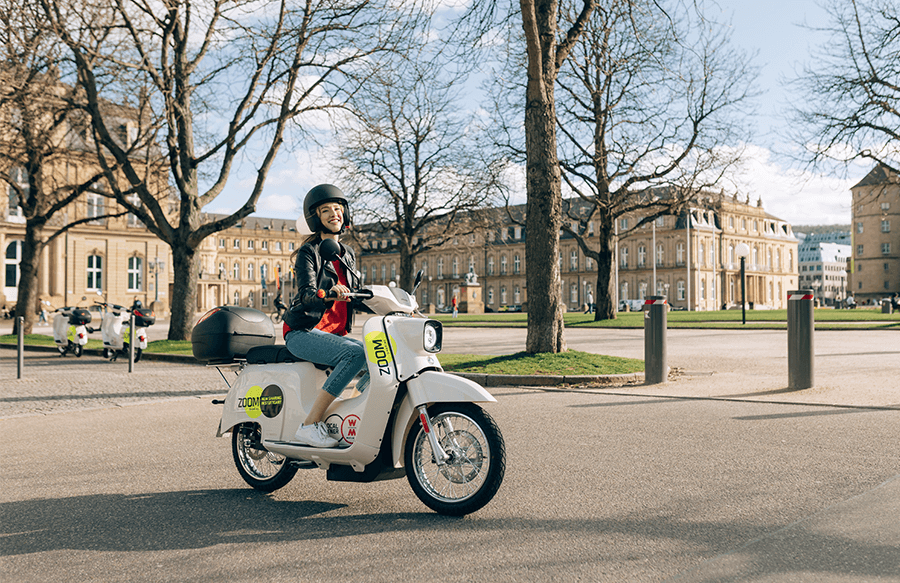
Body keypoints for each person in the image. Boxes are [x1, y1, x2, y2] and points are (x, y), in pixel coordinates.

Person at [282, 184, 366, 448]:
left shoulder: (347, 253)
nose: (334, 214)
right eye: (326, 210)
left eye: (338, 209)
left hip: (333, 334)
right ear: (315, 218)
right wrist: (328, 293)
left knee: (381, 357)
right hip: (302, 331)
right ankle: (309, 425)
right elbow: (307, 294)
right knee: (356, 354)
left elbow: (356, 294)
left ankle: (348, 417)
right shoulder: (309, 252)